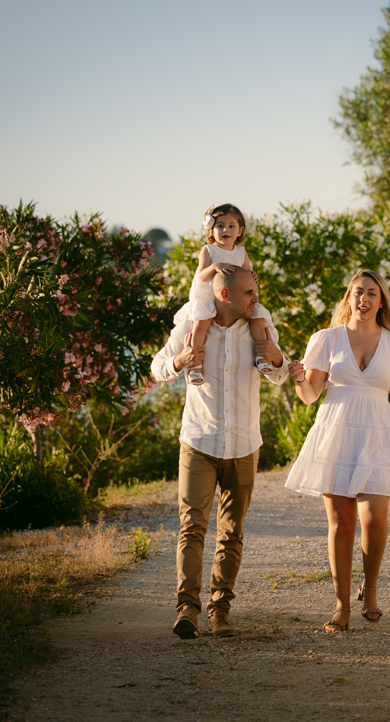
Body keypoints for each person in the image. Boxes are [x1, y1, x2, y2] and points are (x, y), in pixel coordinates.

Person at [152, 266, 291, 639]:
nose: (256, 298)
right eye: (249, 292)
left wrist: (277, 358)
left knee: (232, 532)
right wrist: (178, 362)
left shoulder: (260, 327)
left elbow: (280, 376)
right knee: (191, 527)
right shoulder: (191, 326)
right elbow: (158, 365)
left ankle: (220, 610)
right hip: (199, 441)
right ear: (226, 295)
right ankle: (187, 610)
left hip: (244, 445)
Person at [284, 269, 390, 633]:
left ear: (381, 301)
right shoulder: (326, 340)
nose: (364, 299)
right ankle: (341, 605)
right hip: (336, 435)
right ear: (348, 298)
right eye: (358, 292)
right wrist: (297, 377)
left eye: (372, 293)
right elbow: (310, 395)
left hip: (378, 436)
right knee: (342, 523)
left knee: (374, 518)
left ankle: (369, 590)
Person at [173, 203, 274, 385]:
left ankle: (261, 357)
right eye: (220, 226)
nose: (225, 230)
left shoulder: (241, 252)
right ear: (212, 230)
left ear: (239, 230)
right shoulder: (209, 250)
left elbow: (247, 273)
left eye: (231, 226)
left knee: (258, 317)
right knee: (200, 326)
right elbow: (202, 276)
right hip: (209, 296)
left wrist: (253, 276)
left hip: (233, 300)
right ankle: (195, 367)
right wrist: (214, 267)